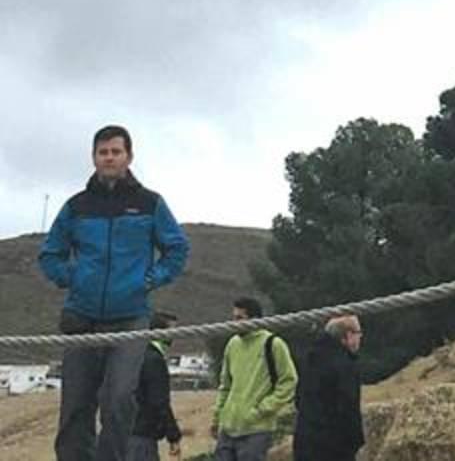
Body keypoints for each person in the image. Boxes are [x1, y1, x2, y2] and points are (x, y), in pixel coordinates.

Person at [39, 125, 190, 461]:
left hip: (130, 318)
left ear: (129, 157)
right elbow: (50, 254)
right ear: (93, 158)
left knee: (119, 400)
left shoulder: (150, 204)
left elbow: (177, 248)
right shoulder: (76, 206)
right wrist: (72, 278)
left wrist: (151, 278)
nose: (109, 158)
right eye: (102, 152)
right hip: (82, 318)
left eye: (115, 152)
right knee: (76, 405)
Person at [212, 297, 299, 461]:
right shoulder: (232, 344)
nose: (234, 323)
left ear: (254, 319)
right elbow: (225, 385)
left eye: (240, 318)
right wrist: (218, 416)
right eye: (234, 318)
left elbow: (289, 381)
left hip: (256, 429)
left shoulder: (273, 344)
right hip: (229, 428)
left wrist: (263, 409)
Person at [292, 315, 365, 461]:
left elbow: (299, 398)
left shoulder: (311, 359)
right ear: (348, 335)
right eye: (359, 333)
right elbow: (348, 407)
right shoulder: (344, 365)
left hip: (305, 440)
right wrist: (356, 441)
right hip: (334, 446)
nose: (360, 338)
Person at [129, 312, 183, 461]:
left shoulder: (133, 355)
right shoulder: (154, 360)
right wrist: (173, 435)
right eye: (172, 331)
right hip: (142, 435)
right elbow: (159, 401)